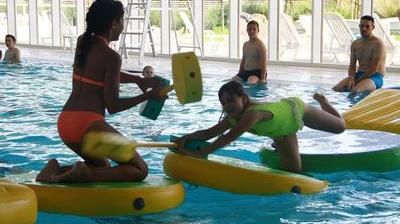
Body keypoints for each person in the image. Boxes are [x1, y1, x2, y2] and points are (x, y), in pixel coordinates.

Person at [36, 0, 165, 183]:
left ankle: (55, 169)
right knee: (139, 169)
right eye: (122, 20)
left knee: (103, 167)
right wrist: (148, 95)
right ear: (113, 23)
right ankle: (85, 174)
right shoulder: (112, 57)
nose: (122, 26)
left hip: (65, 123)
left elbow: (99, 73)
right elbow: (113, 106)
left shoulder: (83, 42)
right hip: (87, 125)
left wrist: (139, 80)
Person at [175, 81, 345, 173]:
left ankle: (324, 103)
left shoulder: (252, 114)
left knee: (340, 127)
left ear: (243, 98)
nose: (227, 106)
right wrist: (186, 138)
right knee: (294, 171)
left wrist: (204, 152)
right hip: (282, 130)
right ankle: (277, 142)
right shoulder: (233, 117)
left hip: (296, 111)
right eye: (223, 103)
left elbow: (229, 137)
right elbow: (209, 132)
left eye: (231, 100)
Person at [332, 15, 386, 93]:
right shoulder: (355, 44)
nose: (364, 29)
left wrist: (357, 81)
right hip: (359, 74)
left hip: (374, 77)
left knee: (355, 90)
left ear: (373, 27)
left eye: (367, 26)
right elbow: (352, 66)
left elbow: (374, 68)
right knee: (335, 90)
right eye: (362, 26)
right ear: (359, 26)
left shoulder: (378, 44)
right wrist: (351, 78)